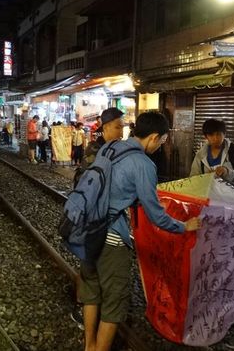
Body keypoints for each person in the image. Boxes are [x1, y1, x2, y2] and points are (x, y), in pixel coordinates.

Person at [80, 111, 201, 351]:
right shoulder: (144, 164)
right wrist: (184, 226)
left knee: (91, 293)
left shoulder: (110, 148)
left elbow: (113, 186)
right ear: (154, 137)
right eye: (162, 141)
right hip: (110, 238)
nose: (161, 146)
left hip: (86, 230)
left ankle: (89, 346)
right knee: (114, 304)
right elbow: (156, 216)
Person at [71, 107, 125, 327]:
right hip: (92, 219)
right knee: (89, 267)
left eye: (123, 127)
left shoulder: (116, 149)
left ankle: (92, 307)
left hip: (105, 219)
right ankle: (82, 306)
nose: (121, 132)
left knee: (97, 266)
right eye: (118, 127)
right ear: (106, 128)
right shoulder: (96, 149)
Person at [189, 118, 234, 189]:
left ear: (224, 134)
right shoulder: (200, 155)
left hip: (232, 195)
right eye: (211, 135)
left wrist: (227, 172)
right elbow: (193, 180)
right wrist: (205, 178)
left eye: (218, 134)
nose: (215, 138)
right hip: (209, 195)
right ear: (206, 136)